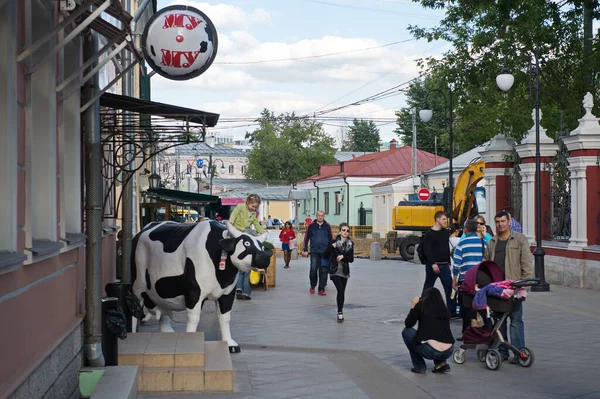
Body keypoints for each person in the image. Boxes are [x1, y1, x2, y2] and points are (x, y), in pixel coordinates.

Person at [483, 211, 534, 363]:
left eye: (503, 221)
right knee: (499, 321)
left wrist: (526, 284)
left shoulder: (519, 239)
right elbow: (485, 263)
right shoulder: (492, 242)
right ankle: (503, 351)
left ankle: (518, 352)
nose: (500, 224)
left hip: (515, 287)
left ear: (509, 221)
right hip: (498, 288)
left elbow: (526, 262)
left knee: (516, 320)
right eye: (497, 222)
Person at [402, 287, 455, 374]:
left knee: (407, 332)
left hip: (431, 351)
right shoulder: (445, 310)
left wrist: (413, 307)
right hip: (448, 351)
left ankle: (420, 367)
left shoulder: (421, 306)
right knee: (439, 336)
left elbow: (408, 324)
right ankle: (441, 363)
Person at [452, 219, 486, 338]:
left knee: (465, 306)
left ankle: (466, 332)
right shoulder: (483, 243)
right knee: (481, 304)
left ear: (465, 229)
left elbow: (456, 264)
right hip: (480, 280)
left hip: (466, 280)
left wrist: (454, 279)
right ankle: (487, 327)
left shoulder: (461, 244)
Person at [229, 194, 265, 300]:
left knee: (242, 268)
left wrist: (263, 232)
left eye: (256, 207)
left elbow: (256, 224)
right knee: (245, 267)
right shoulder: (240, 206)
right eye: (253, 206)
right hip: (237, 233)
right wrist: (230, 222)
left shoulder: (253, 213)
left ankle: (239, 289)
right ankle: (244, 291)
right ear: (247, 203)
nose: (254, 209)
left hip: (245, 235)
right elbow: (234, 214)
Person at [422, 211, 456, 317]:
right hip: (433, 265)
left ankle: (452, 311)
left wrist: (449, 262)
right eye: (443, 219)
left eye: (446, 219)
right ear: (437, 219)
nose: (445, 221)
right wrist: (433, 263)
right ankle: (422, 308)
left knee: (449, 287)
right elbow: (427, 250)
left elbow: (446, 248)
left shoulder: (445, 232)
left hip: (444, 264)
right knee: (428, 287)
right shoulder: (429, 233)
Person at [323, 223, 354, 322]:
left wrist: (343, 257)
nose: (345, 232)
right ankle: (340, 314)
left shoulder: (350, 244)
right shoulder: (333, 242)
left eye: (347, 231)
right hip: (334, 270)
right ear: (340, 231)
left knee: (342, 292)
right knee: (340, 290)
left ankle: (340, 311)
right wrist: (331, 247)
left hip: (344, 271)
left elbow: (351, 259)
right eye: (343, 230)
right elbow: (325, 254)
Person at [302, 210, 333, 296]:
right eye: (319, 215)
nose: (320, 217)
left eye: (322, 215)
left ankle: (321, 289)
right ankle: (312, 286)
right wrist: (305, 250)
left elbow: (331, 239)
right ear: (316, 216)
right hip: (314, 251)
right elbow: (306, 238)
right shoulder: (311, 226)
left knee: (324, 270)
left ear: (324, 216)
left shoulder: (327, 226)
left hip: (325, 252)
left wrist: (332, 250)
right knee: (313, 269)